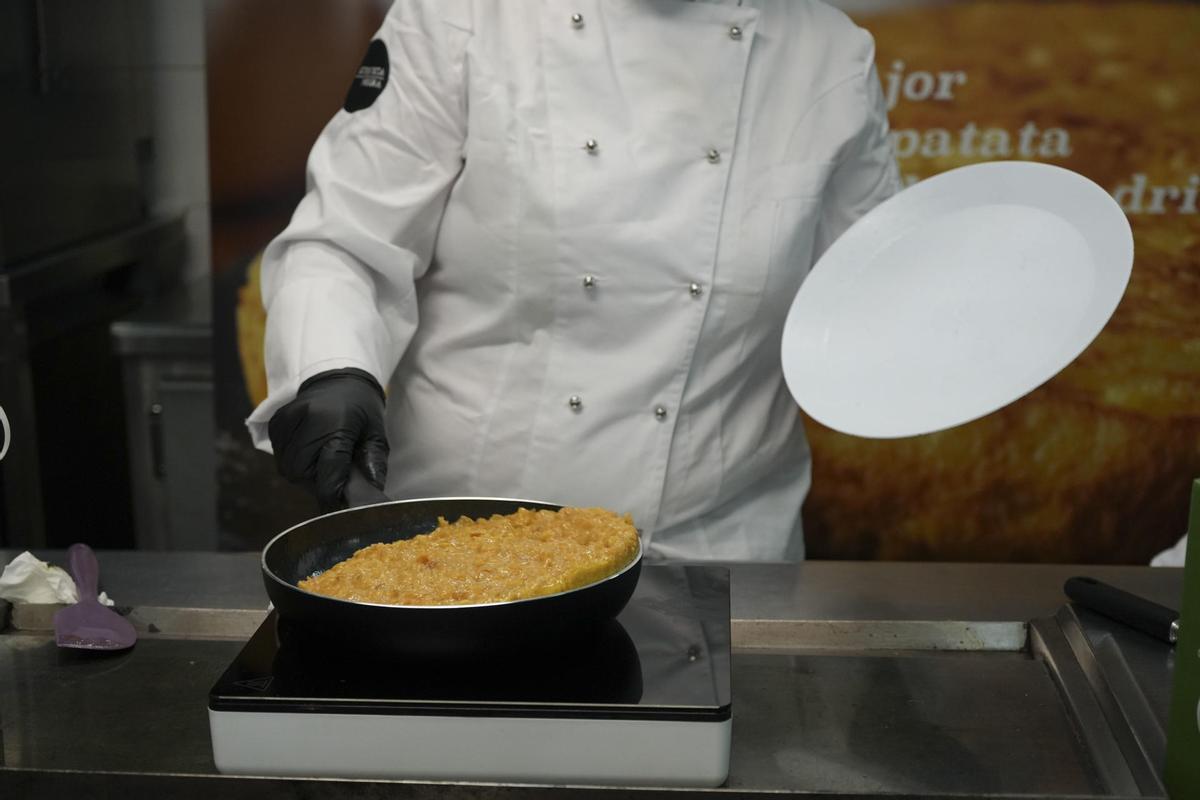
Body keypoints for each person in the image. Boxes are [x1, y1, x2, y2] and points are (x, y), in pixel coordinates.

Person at [248, 0, 901, 562]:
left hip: (718, 551)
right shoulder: (464, 20)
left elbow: (872, 297)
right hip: (464, 541)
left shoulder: (830, 59)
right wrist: (334, 367)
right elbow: (347, 242)